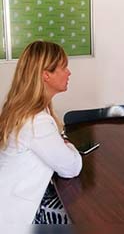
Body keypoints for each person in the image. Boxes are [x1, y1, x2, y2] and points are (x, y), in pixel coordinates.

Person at [0, 41, 82, 223]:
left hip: (10, 199)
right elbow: (71, 167)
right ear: (46, 75)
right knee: (86, 221)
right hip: (16, 216)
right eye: (64, 67)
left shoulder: (25, 111)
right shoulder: (37, 121)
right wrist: (69, 145)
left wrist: (61, 142)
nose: (69, 73)